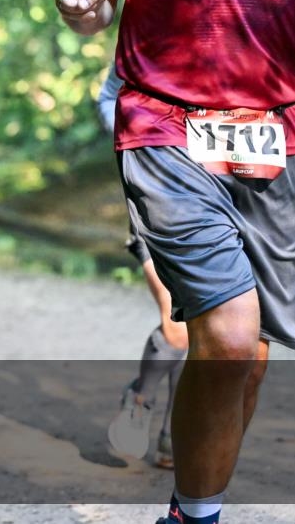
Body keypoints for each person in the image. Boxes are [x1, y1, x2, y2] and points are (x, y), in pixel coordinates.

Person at [30, 0, 295, 522]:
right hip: (164, 122)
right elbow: (92, 1)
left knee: (250, 358)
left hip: (278, 132)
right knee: (231, 336)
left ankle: (189, 509)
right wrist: (82, 7)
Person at [98, 67, 188, 469]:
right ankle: (140, 398)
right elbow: (108, 97)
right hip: (157, 200)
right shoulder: (152, 32)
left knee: (210, 328)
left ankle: (175, 433)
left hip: (226, 202)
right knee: (177, 322)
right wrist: (137, 143)